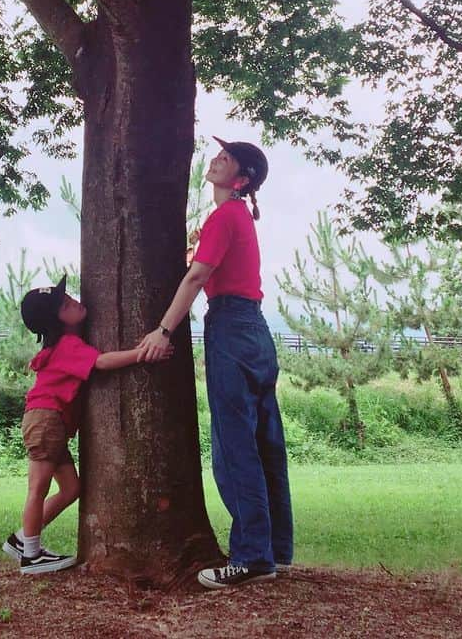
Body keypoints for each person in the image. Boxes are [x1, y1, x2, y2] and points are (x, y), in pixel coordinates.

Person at [138, 137, 293, 590]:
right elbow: (207, 266)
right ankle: (275, 550)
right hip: (255, 330)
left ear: (241, 179)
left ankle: (250, 557)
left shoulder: (226, 215)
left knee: (234, 446)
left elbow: (198, 276)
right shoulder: (236, 218)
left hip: (232, 326)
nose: (217, 158)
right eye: (219, 153)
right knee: (265, 443)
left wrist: (163, 330)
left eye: (228, 159)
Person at [2, 276, 172, 575]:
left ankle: (21, 540)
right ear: (57, 322)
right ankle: (31, 556)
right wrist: (142, 353)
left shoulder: (66, 344)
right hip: (46, 420)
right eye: (66, 305)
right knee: (38, 488)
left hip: (50, 422)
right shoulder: (68, 345)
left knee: (71, 488)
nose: (76, 302)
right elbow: (102, 363)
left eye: (70, 298)